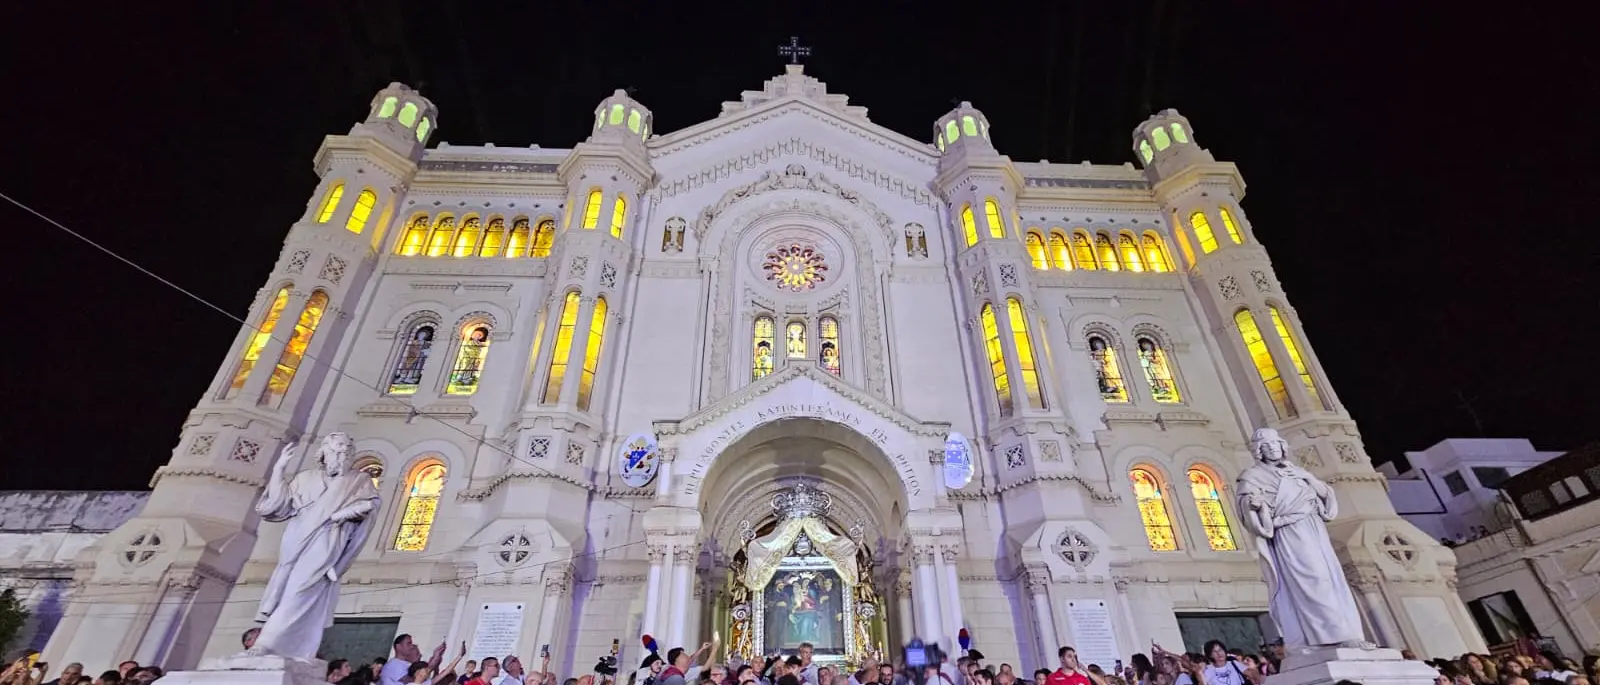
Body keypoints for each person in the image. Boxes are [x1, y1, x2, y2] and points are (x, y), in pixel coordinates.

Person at [252, 433, 381, 657]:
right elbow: (277, 506)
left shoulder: (358, 480)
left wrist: (344, 513)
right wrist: (278, 470)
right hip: (297, 538)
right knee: (290, 591)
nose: (341, 456)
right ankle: (291, 647)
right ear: (323, 453)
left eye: (346, 452)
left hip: (328, 538)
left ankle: (266, 642)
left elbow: (370, 504)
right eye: (336, 451)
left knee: (300, 589)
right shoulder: (305, 478)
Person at [1236, 428, 1366, 648]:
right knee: (1313, 580)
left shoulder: (1297, 471)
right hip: (1289, 534)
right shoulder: (1252, 477)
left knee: (1331, 580)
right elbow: (1248, 508)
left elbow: (1326, 497)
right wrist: (1256, 508)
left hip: (1314, 530)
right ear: (1260, 451)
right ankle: (1332, 636)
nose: (1273, 449)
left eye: (1276, 444)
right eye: (1267, 446)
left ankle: (1347, 633)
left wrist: (1307, 477)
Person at [384, 634, 448, 685]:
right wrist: (431, 665)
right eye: (409, 643)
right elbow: (412, 681)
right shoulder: (393, 665)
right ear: (398, 646)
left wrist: (435, 666)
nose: (411, 646)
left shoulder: (407, 665)